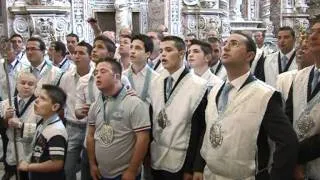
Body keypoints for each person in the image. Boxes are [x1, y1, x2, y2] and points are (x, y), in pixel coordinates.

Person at [200, 31, 298, 179]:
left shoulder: (264, 95)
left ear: (249, 56)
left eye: (234, 44)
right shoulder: (214, 90)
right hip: (210, 174)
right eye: (225, 43)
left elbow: (287, 142)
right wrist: (198, 166)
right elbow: (208, 129)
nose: (225, 47)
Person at [150, 36, 208, 179]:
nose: (163, 54)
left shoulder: (199, 85)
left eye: (169, 50)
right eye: (161, 50)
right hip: (156, 156)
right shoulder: (156, 81)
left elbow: (201, 129)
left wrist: (194, 167)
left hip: (182, 159)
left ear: (182, 53)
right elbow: (152, 119)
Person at [87, 57, 150, 180]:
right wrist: (92, 164)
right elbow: (90, 135)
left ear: (116, 76)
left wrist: (132, 170)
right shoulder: (95, 104)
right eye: (96, 72)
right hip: (101, 171)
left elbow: (143, 138)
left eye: (103, 72)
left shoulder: (134, 103)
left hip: (124, 174)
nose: (97, 76)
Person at [285, 20, 320, 180]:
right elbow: (287, 116)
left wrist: (297, 156)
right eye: (312, 31)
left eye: (319, 33)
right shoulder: (300, 76)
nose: (312, 37)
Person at [18, 84, 68, 180]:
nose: (36, 100)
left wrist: (29, 167)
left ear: (55, 107)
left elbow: (56, 163)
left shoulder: (56, 132)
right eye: (38, 97)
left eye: (43, 98)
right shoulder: (45, 122)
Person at [59, 41, 92, 180]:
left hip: (91, 127)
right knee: (68, 168)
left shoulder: (96, 75)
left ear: (90, 56)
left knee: (88, 167)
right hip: (72, 126)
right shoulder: (66, 76)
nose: (76, 56)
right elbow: (61, 101)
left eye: (81, 53)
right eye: (74, 53)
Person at [0, 72, 39, 180]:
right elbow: (1, 127)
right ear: (17, 85)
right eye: (23, 83)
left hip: (29, 148)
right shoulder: (5, 103)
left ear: (35, 87)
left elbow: (41, 130)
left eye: (30, 84)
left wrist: (21, 125)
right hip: (11, 146)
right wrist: (5, 118)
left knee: (26, 176)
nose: (26, 86)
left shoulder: (39, 105)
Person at [123, 34, 158, 104]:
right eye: (131, 47)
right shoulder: (122, 76)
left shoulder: (156, 78)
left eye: (138, 48)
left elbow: (157, 104)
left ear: (148, 54)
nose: (132, 51)